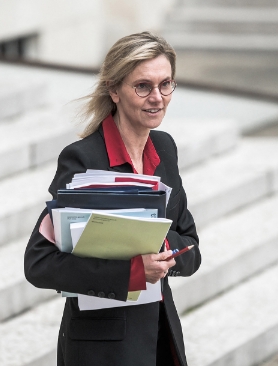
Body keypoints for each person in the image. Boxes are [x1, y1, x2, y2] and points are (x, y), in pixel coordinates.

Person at [24, 31, 201, 366]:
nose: (157, 97)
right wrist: (132, 272)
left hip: (161, 340)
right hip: (101, 350)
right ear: (114, 90)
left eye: (166, 84)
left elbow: (192, 248)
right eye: (143, 86)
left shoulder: (165, 149)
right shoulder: (82, 160)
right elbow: (40, 264)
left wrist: (164, 248)